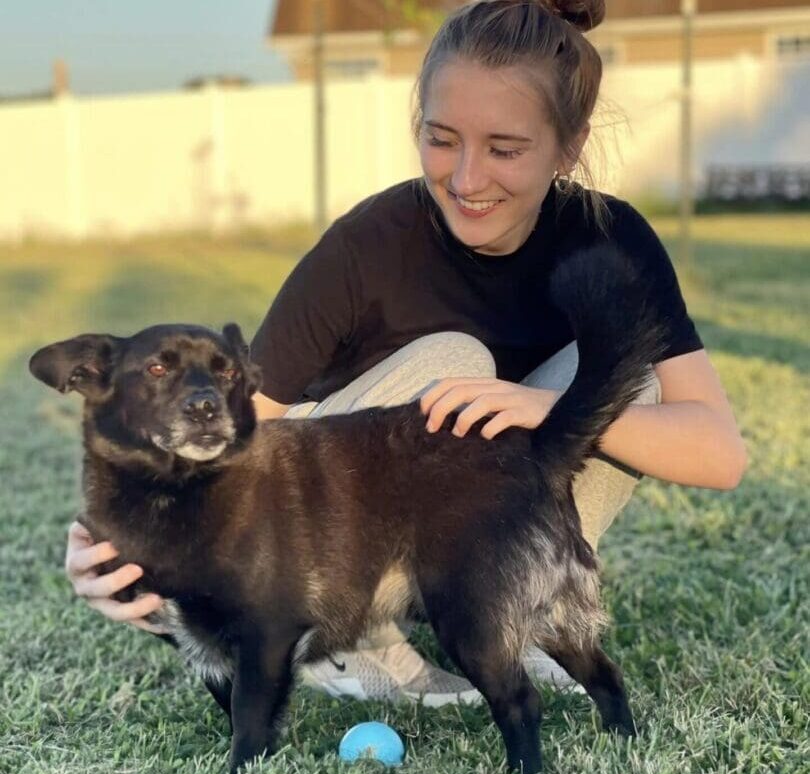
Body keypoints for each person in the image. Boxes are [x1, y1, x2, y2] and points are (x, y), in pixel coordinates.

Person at [64, 0, 746, 706]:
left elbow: (717, 450)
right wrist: (112, 541)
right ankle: (351, 648)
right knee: (455, 364)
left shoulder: (615, 241)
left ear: (567, 147)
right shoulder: (369, 244)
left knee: (624, 384)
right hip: (335, 533)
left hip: (476, 521)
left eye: (505, 150)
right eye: (441, 138)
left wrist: (548, 407)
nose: (466, 179)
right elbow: (242, 432)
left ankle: (526, 608)